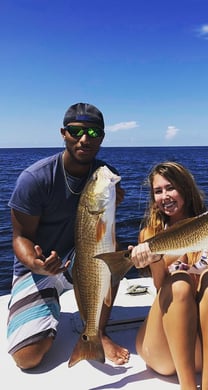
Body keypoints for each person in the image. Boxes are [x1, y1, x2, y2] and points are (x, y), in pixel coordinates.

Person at [7, 102, 129, 369]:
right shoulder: (35, 179)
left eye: (94, 133)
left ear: (102, 137)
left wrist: (112, 206)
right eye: (76, 131)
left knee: (114, 252)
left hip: (79, 259)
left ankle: (97, 331)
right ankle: (44, 307)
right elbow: (20, 237)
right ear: (63, 133)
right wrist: (37, 263)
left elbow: (102, 234)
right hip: (40, 266)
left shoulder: (104, 175)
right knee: (28, 358)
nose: (85, 139)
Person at [129, 161, 208, 390]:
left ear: (185, 188)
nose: (165, 196)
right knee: (180, 283)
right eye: (158, 191)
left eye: (171, 188)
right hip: (164, 350)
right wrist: (155, 258)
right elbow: (159, 284)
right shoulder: (150, 233)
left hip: (206, 351)